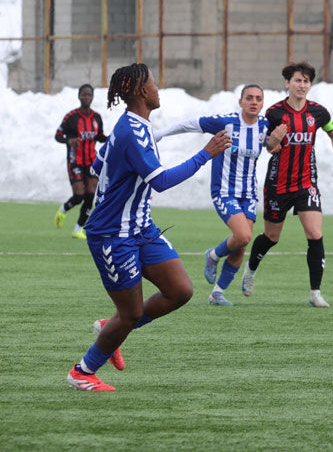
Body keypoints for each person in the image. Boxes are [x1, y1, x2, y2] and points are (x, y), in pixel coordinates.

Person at [66, 63, 231, 391]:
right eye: (154, 83)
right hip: (113, 236)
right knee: (129, 313)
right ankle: (82, 371)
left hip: (141, 228)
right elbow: (161, 182)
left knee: (181, 290)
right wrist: (206, 153)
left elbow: (100, 162)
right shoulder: (132, 131)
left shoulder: (130, 125)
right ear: (142, 91)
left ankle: (110, 329)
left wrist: (112, 181)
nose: (158, 89)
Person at [243, 62, 333, 307]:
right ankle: (250, 269)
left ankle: (315, 293)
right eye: (297, 81)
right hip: (278, 183)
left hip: (306, 182)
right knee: (271, 237)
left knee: (314, 234)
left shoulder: (318, 113)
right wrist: (273, 142)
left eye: (306, 81)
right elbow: (268, 147)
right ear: (287, 83)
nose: (302, 85)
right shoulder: (274, 113)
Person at [154, 84, 269, 306]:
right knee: (243, 236)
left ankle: (217, 293)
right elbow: (191, 124)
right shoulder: (225, 122)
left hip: (249, 194)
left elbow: (274, 144)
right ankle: (213, 256)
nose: (254, 102)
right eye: (249, 98)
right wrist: (161, 133)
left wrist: (276, 144)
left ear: (262, 103)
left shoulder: (265, 125)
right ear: (241, 102)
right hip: (224, 191)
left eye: (258, 99)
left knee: (241, 245)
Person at [54, 84, 107, 240]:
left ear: (92, 97)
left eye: (89, 95)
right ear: (79, 96)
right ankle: (63, 210)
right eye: (84, 94)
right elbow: (57, 135)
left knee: (90, 196)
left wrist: (113, 139)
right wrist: (69, 140)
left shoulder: (97, 118)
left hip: (91, 162)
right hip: (75, 161)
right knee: (79, 196)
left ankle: (78, 229)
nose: (86, 97)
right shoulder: (71, 117)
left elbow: (100, 137)